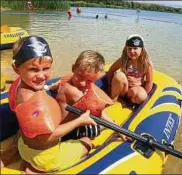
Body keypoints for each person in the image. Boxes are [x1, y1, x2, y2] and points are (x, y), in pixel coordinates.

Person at [6, 36, 97, 173]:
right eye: (34, 70)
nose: (42, 76)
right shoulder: (37, 101)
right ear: (16, 69)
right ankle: (38, 170)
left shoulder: (18, 87)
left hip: (24, 147)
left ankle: (23, 158)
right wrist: (80, 121)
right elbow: (46, 137)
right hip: (46, 157)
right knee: (87, 142)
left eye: (46, 68)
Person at [49, 50, 114, 140]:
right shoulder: (73, 91)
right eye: (80, 76)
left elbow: (56, 85)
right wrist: (115, 126)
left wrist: (50, 88)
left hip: (64, 123)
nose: (83, 84)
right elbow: (98, 111)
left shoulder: (67, 78)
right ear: (73, 68)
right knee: (95, 127)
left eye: (89, 81)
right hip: (65, 132)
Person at [107, 34, 153, 104]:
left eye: (135, 48)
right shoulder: (124, 60)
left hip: (136, 90)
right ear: (126, 49)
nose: (132, 51)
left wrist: (145, 95)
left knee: (142, 96)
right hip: (124, 89)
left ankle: (131, 103)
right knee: (119, 75)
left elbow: (149, 81)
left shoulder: (146, 63)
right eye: (129, 48)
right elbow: (111, 70)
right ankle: (113, 99)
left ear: (142, 49)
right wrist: (110, 85)